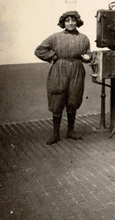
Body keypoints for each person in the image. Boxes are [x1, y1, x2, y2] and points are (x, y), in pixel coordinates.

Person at [35, 11, 91, 145]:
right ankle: (55, 133)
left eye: (73, 20)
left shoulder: (83, 38)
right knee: (57, 98)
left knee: (74, 98)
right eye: (67, 21)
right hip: (59, 70)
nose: (70, 23)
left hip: (77, 70)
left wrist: (88, 58)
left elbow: (88, 54)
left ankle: (70, 131)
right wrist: (53, 57)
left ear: (77, 22)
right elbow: (39, 50)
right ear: (63, 23)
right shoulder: (55, 37)